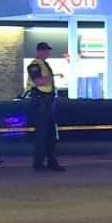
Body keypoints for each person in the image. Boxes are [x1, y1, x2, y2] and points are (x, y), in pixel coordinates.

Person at [26, 42, 66, 172]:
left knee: (51, 135)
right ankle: (38, 163)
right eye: (45, 51)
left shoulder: (45, 64)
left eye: (48, 51)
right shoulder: (34, 65)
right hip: (40, 102)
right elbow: (38, 82)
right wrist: (51, 77)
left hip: (47, 103)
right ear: (39, 51)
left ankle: (51, 162)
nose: (47, 53)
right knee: (42, 134)